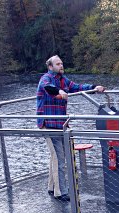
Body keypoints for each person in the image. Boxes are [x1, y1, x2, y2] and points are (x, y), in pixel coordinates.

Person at [36, 55, 105, 201]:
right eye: (57, 64)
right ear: (50, 67)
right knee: (59, 158)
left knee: (56, 156)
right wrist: (60, 92)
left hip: (61, 124)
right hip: (48, 124)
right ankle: (60, 192)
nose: (61, 66)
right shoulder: (46, 78)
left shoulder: (63, 80)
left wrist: (94, 88)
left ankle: (51, 187)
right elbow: (48, 87)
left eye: (61, 63)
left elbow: (77, 87)